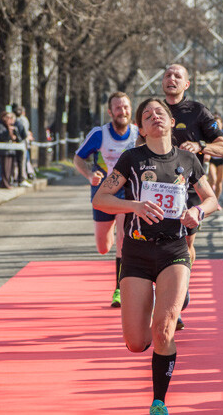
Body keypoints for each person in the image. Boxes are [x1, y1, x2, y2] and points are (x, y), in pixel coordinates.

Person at [92, 98, 218, 415]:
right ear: (142, 128)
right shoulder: (131, 159)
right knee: (136, 342)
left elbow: (211, 199)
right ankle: (151, 319)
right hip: (136, 252)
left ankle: (158, 401)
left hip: (174, 250)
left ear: (171, 122)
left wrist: (198, 211)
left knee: (163, 330)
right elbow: (101, 198)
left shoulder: (188, 160)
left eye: (160, 112)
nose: (154, 117)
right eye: (147, 115)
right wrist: (134, 206)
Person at [161, 64, 223, 323]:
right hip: (157, 187)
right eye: (168, 75)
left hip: (188, 188)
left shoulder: (198, 111)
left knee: (185, 244)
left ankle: (181, 290)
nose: (172, 79)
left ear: (186, 84)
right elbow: (139, 142)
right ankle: (168, 299)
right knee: (158, 244)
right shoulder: (154, 109)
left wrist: (201, 146)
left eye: (177, 76)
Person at [74, 92, 140, 308]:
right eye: (118, 108)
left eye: (126, 107)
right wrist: (89, 175)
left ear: (131, 109)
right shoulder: (99, 134)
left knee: (123, 239)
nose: (123, 111)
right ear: (110, 112)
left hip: (126, 194)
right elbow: (78, 158)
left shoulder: (138, 134)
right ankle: (110, 231)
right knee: (103, 247)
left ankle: (119, 289)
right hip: (103, 194)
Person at [206, 116, 223, 199]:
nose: (217, 125)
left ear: (222, 124)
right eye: (215, 123)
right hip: (212, 160)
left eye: (218, 123)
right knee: (213, 179)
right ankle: (209, 199)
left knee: (219, 182)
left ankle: (216, 200)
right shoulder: (209, 135)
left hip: (222, 161)